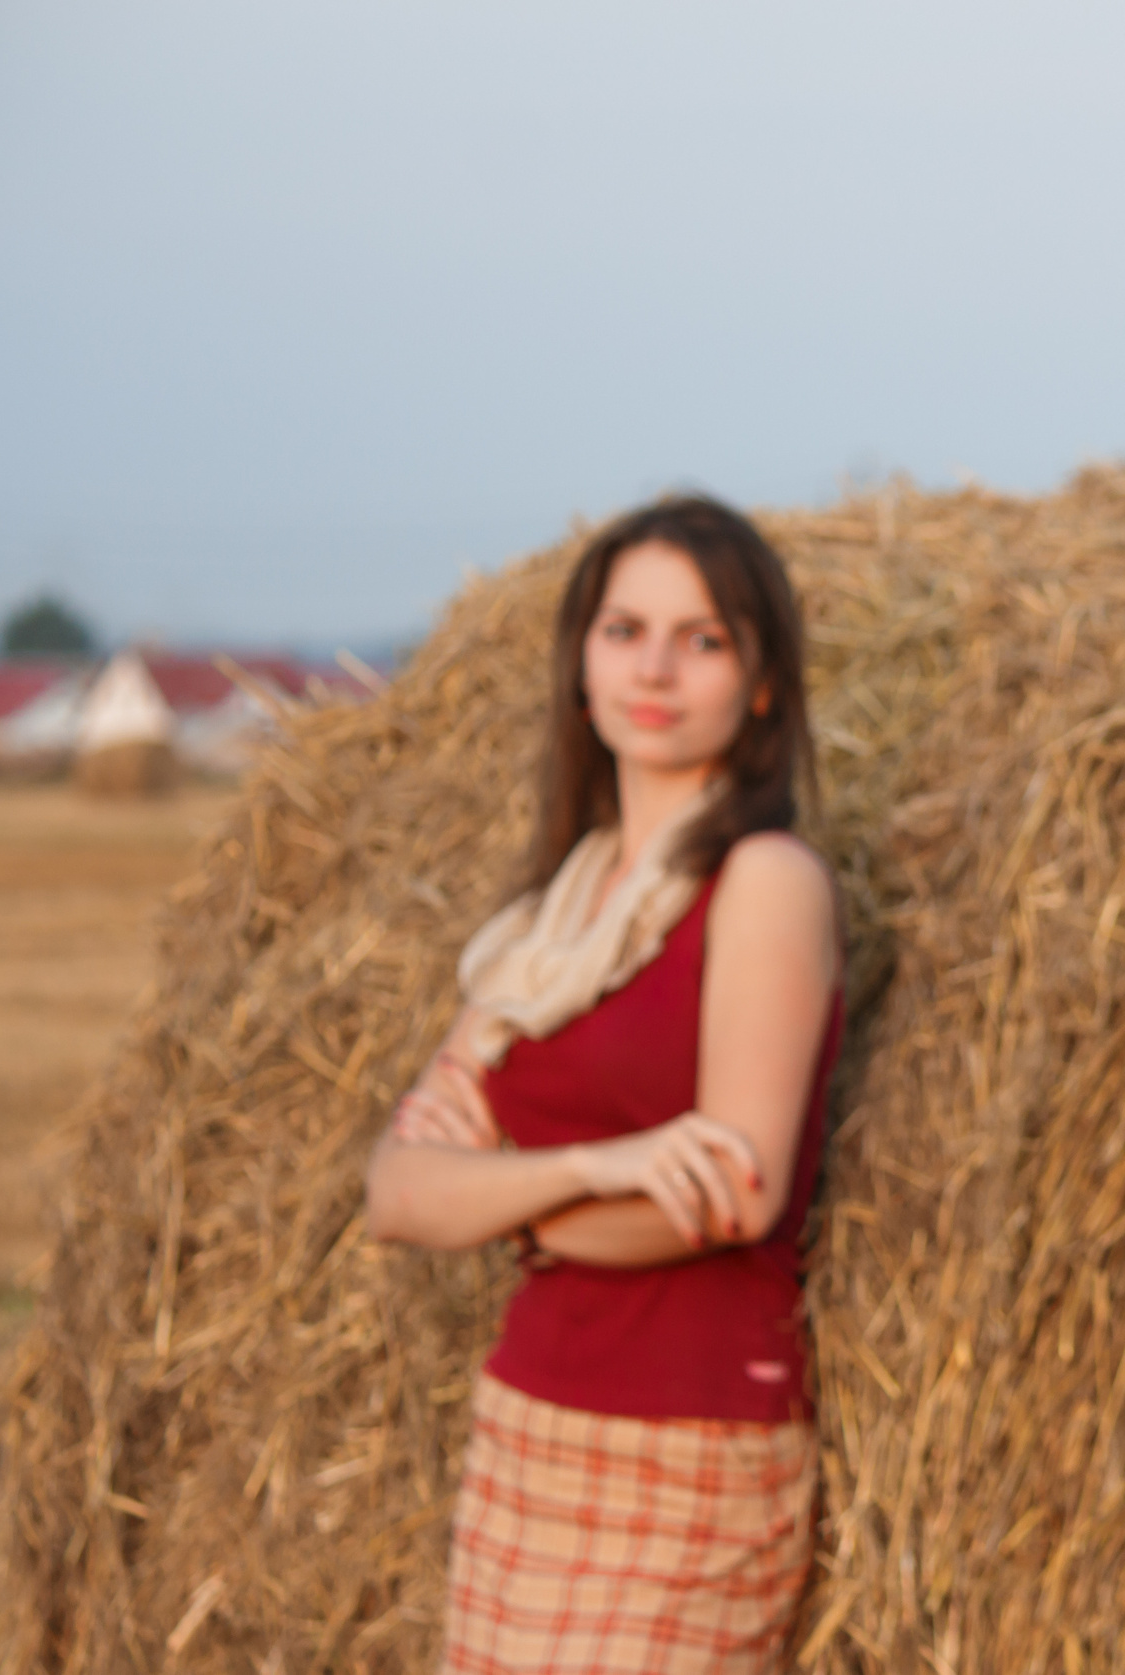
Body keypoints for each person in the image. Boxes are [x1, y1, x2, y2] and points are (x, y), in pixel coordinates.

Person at [364, 495, 843, 1674]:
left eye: (703, 639)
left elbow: (728, 1195)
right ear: (580, 665)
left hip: (691, 1445)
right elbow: (398, 1191)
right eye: (625, 631)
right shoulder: (552, 925)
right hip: (526, 1422)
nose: (656, 669)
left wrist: (501, 1195)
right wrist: (597, 1166)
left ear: (762, 683)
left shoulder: (764, 880)